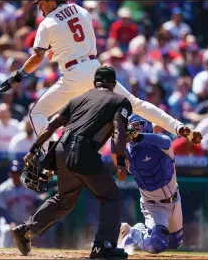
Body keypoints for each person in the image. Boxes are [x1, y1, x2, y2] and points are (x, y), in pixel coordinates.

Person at [0, 0, 202, 151]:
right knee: (136, 104)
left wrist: (18, 77)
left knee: (37, 113)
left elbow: (36, 57)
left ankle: (53, 154)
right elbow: (79, 36)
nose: (39, 8)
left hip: (73, 75)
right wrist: (60, 48)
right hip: (96, 69)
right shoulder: (81, 10)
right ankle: (178, 126)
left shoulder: (47, 23)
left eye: (41, 3)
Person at [11, 66, 132, 259]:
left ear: (95, 83)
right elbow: (119, 132)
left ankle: (26, 231)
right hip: (83, 151)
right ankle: (104, 246)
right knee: (112, 198)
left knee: (64, 199)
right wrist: (121, 163)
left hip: (61, 149)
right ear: (114, 84)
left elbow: (52, 124)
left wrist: (35, 148)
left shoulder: (77, 99)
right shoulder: (120, 101)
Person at [112, 115, 184, 254]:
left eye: (138, 125)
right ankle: (130, 233)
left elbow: (164, 141)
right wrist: (114, 137)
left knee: (175, 243)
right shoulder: (127, 152)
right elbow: (117, 159)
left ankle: (135, 235)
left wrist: (139, 136)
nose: (134, 129)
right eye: (131, 127)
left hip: (174, 199)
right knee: (158, 244)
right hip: (153, 205)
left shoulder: (162, 143)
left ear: (147, 126)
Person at [0, 160, 40, 248]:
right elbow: (1, 209)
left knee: (26, 247)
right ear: (9, 173)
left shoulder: (30, 187)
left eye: (18, 172)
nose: (16, 175)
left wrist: (40, 199)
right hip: (8, 222)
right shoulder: (3, 188)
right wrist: (10, 222)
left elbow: (36, 203)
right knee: (7, 235)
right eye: (13, 172)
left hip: (25, 222)